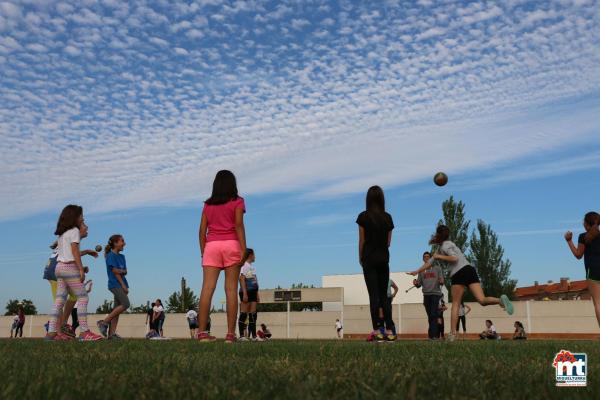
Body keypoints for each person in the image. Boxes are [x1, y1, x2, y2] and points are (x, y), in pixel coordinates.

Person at [410, 225, 513, 342]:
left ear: (438, 235)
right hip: (470, 269)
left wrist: (439, 256)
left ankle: (453, 334)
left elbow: (454, 259)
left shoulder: (445, 246)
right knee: (482, 300)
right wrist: (417, 271)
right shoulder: (448, 245)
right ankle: (500, 300)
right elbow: (430, 262)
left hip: (459, 272)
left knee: (455, 304)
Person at [197, 170, 247, 343]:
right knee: (231, 290)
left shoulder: (207, 205)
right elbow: (239, 225)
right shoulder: (238, 201)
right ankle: (230, 335)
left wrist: (204, 251)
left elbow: (202, 230)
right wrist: (244, 249)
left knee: (207, 289)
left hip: (211, 247)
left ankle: (202, 333)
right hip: (231, 245)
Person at [45, 205, 103, 341]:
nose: (83, 219)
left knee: (59, 301)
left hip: (59, 268)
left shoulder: (63, 233)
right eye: (81, 216)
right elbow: (74, 251)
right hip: (69, 267)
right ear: (74, 217)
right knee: (83, 298)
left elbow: (63, 252)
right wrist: (81, 269)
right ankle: (84, 332)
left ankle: (51, 333)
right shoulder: (75, 231)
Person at [356, 185, 396, 342]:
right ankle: (390, 330)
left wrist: (361, 258)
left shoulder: (363, 217)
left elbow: (362, 240)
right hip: (384, 259)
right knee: (384, 297)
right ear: (382, 199)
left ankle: (378, 330)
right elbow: (388, 243)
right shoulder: (388, 217)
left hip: (369, 259)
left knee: (374, 296)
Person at [565, 211, 600, 329]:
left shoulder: (583, 237)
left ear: (586, 224)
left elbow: (578, 255)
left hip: (593, 271)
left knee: (598, 303)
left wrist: (569, 241)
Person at [97, 235, 130, 340]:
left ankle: (111, 334)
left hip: (121, 283)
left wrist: (120, 271)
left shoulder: (122, 257)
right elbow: (115, 272)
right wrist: (123, 285)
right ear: (115, 243)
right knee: (126, 304)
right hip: (115, 284)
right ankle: (104, 322)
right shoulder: (110, 256)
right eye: (122, 241)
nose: (124, 243)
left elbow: (125, 271)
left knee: (117, 309)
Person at [413, 251, 443, 340]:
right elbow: (419, 284)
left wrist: (441, 281)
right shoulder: (421, 270)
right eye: (424, 257)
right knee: (430, 315)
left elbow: (441, 279)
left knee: (433, 314)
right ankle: (433, 335)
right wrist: (416, 283)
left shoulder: (437, 268)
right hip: (426, 295)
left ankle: (434, 336)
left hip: (435, 293)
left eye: (428, 257)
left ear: (431, 258)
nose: (426, 258)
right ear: (423, 259)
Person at [239, 248, 260, 341]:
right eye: (254, 254)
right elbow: (241, 279)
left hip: (253, 292)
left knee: (253, 314)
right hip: (246, 292)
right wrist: (244, 293)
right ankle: (241, 336)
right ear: (250, 255)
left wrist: (257, 294)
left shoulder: (252, 267)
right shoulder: (244, 265)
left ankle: (254, 336)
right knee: (244, 313)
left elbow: (255, 280)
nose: (255, 256)